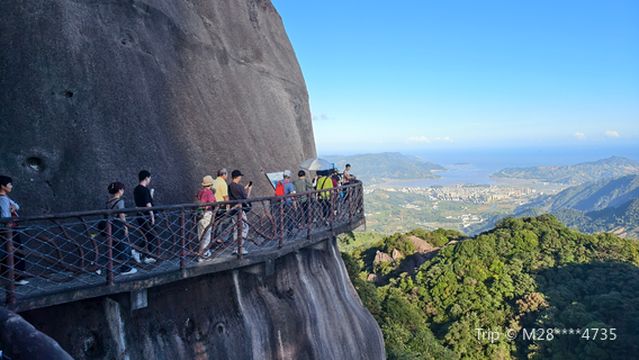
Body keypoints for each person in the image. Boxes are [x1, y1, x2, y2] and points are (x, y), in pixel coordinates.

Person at [0, 175, 28, 285]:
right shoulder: (2, 199)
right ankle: (18, 277)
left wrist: (14, 207)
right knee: (17, 252)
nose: (11, 186)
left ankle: (13, 275)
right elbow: (5, 215)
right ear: (2, 186)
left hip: (7, 229)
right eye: (9, 184)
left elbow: (16, 205)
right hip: (9, 229)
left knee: (10, 251)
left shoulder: (4, 197)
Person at [106, 182, 137, 275]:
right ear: (120, 190)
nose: (123, 191)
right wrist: (125, 227)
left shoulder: (109, 201)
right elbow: (121, 214)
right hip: (118, 225)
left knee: (113, 247)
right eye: (123, 189)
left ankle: (97, 265)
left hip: (110, 226)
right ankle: (125, 268)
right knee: (124, 247)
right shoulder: (120, 201)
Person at [133, 170, 157, 264]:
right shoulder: (144, 189)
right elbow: (148, 204)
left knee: (146, 235)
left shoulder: (136, 189)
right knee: (151, 235)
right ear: (146, 178)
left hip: (140, 215)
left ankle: (146, 255)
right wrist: (152, 216)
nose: (150, 180)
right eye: (150, 178)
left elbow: (142, 202)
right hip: (146, 216)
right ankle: (137, 251)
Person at [228, 170, 252, 255]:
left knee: (236, 228)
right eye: (240, 176)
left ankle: (236, 247)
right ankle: (240, 247)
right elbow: (246, 198)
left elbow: (235, 195)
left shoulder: (229, 186)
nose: (241, 177)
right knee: (245, 227)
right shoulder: (240, 187)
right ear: (238, 177)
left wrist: (244, 188)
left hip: (233, 210)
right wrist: (249, 190)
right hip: (240, 210)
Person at [196, 175, 218, 260]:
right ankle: (203, 254)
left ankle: (201, 254)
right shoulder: (209, 192)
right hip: (207, 214)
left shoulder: (200, 192)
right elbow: (213, 202)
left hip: (199, 215)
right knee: (207, 235)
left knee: (201, 235)